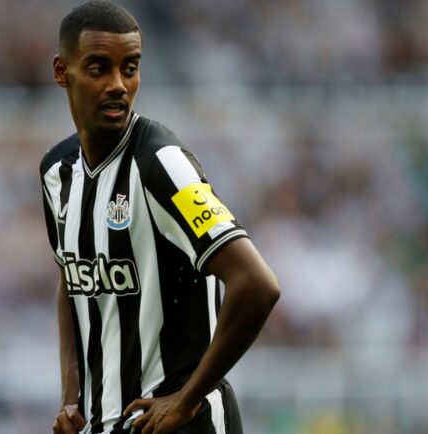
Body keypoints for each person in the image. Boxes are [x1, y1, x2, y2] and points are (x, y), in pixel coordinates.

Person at [39, 1, 281, 433]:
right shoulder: (57, 172)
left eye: (130, 68)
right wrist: (70, 396)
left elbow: (257, 285)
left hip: (182, 425)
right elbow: (70, 278)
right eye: (99, 69)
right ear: (62, 72)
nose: (118, 85)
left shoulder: (161, 163)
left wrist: (187, 401)